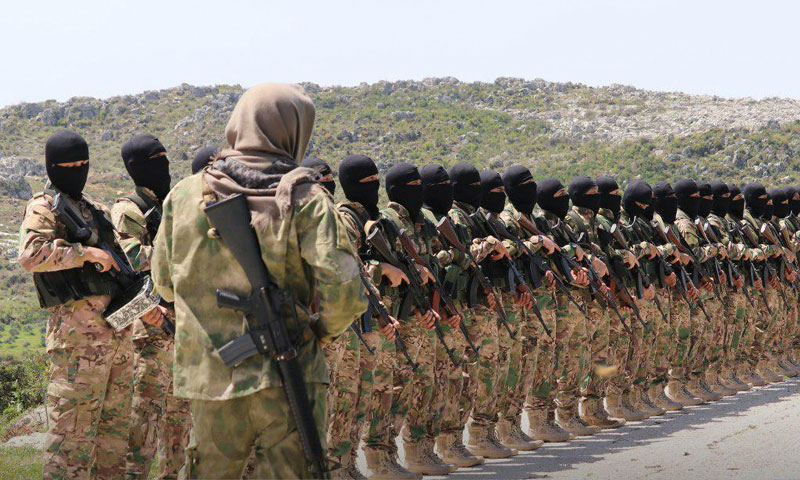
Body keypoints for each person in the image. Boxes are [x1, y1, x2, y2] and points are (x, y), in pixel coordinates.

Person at [151, 83, 367, 479]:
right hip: (288, 373)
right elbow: (344, 289)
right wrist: (320, 331)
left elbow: (163, 283)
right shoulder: (305, 198)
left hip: (211, 376)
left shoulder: (183, 196)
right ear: (294, 129)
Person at [17, 129, 139, 480]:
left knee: (112, 446)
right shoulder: (44, 206)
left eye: (84, 164)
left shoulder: (96, 210)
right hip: (77, 346)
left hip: (116, 341)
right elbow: (30, 255)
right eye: (70, 165)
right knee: (70, 444)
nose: (78, 170)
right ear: (53, 167)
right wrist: (86, 253)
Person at [113, 133, 191, 480]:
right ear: (135, 168)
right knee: (144, 417)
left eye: (165, 157)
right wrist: (177, 257)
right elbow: (127, 258)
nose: (164, 166)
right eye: (154, 159)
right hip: (150, 326)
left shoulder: (169, 206)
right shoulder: (128, 208)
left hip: (180, 326)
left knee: (179, 419)